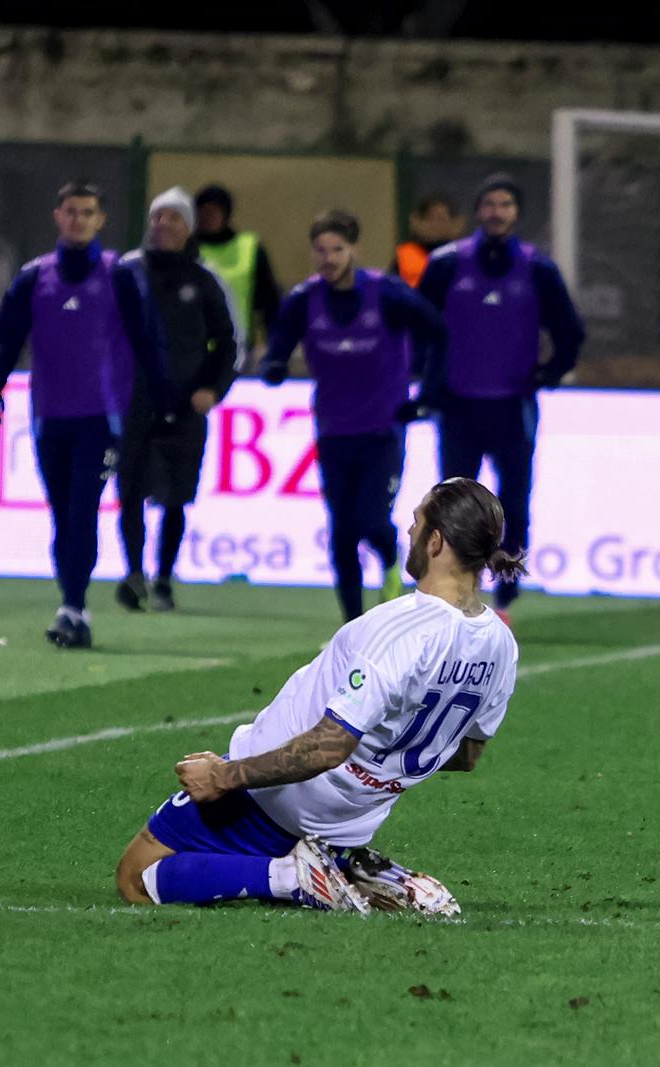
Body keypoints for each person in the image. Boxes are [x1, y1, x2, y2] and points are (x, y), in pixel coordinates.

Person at [116, 477, 522, 913]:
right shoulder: (501, 644)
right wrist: (384, 756)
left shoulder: (401, 627)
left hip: (277, 800)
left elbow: (329, 747)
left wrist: (224, 776)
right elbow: (466, 756)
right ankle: (348, 870)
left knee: (136, 877)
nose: (409, 532)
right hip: (352, 823)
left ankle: (295, 877)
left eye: (417, 522)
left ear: (437, 541)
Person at [0, 180, 172, 649]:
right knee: (63, 516)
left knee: (83, 508)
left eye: (87, 212)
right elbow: (5, 335)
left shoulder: (120, 275)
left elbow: (148, 339)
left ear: (100, 220)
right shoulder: (34, 277)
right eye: (71, 211)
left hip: (102, 418)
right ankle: (72, 604)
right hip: (50, 415)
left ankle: (75, 608)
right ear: (57, 216)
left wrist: (163, 402)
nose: (78, 220)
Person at [260, 210, 448, 622]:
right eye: (320, 250)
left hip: (382, 430)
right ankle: (352, 625)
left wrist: (426, 398)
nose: (328, 258)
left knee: (371, 520)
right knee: (343, 532)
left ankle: (393, 563)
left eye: (337, 249)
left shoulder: (389, 295)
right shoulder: (304, 300)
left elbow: (439, 334)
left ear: (354, 250)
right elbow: (277, 347)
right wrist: (273, 368)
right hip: (333, 431)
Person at [419, 174, 584, 621]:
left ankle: (506, 599)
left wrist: (548, 373)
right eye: (489, 203)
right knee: (453, 506)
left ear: (515, 213)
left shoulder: (537, 268)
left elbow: (569, 330)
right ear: (478, 211)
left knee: (514, 504)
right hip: (459, 406)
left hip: (513, 406)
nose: (496, 211)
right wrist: (428, 383)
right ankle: (451, 595)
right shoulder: (447, 264)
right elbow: (418, 325)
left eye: (505, 204)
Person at [116, 187, 242, 613]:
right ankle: (134, 574)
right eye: (158, 218)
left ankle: (164, 577)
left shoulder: (204, 281)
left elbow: (227, 344)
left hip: (185, 404)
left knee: (175, 495)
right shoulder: (128, 272)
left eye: (173, 218)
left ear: (188, 227)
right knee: (130, 489)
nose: (163, 225)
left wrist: (212, 389)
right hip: (135, 400)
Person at [194, 184, 281, 349]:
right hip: (192, 348)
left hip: (237, 347)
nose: (209, 216)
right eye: (204, 211)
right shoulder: (185, 249)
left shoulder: (250, 247)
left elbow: (269, 300)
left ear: (226, 213)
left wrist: (274, 344)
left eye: (215, 211)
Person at [392, 194, 462, 288]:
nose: (435, 225)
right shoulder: (405, 254)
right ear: (417, 221)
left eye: (441, 219)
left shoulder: (460, 254)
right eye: (430, 218)